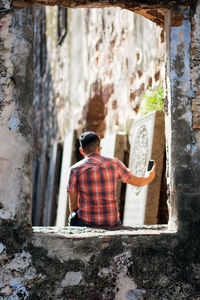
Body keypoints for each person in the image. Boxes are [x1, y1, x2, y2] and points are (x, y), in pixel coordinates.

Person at [67, 131, 155, 227]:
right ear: (98, 147)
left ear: (81, 151)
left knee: (73, 218)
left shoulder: (75, 170)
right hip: (112, 222)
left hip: (87, 223)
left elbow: (73, 206)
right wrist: (149, 176)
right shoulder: (114, 163)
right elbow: (138, 182)